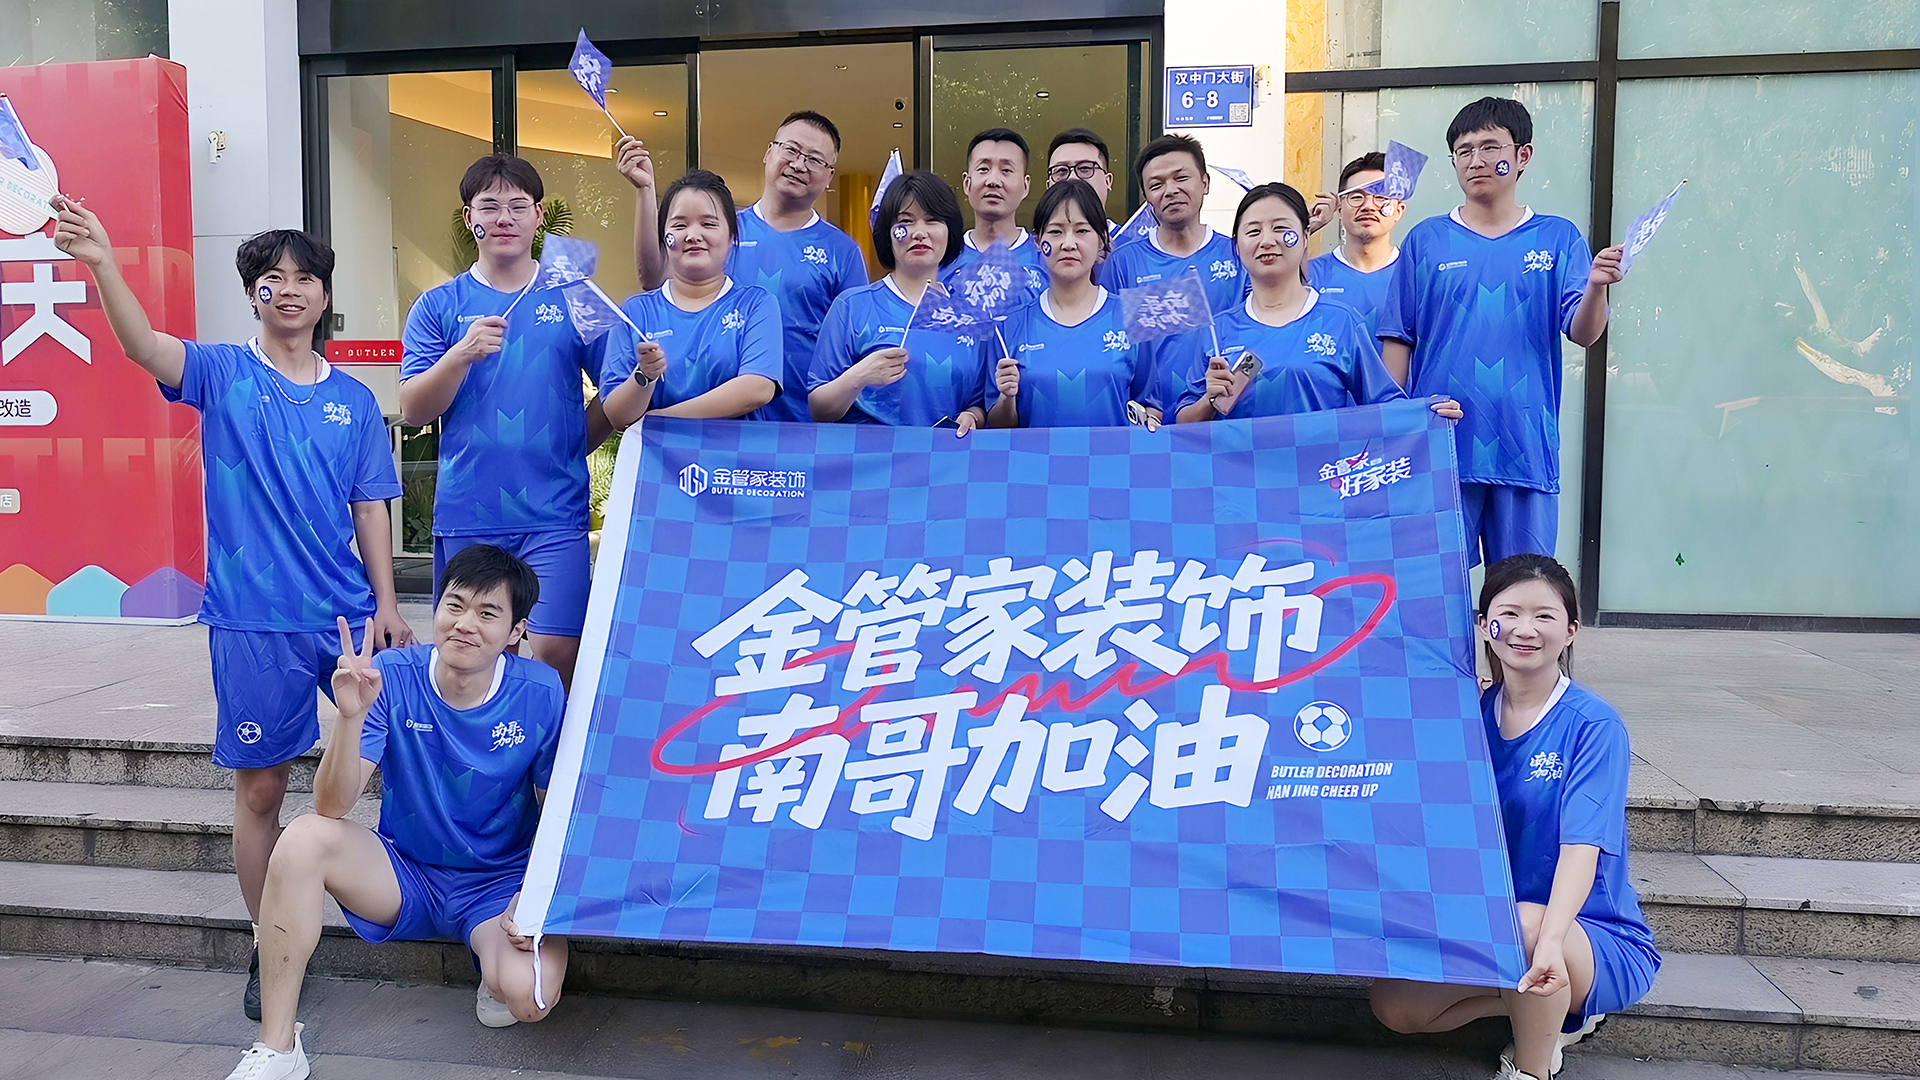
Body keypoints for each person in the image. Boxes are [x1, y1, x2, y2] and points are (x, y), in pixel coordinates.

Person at [52, 199, 409, 1023]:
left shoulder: (355, 402)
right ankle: (269, 939)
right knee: (258, 794)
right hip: (252, 619)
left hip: (346, 617)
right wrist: (102, 262)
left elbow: (370, 505)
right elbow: (143, 346)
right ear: (253, 294)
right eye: (273, 278)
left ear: (325, 295)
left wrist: (389, 602)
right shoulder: (220, 372)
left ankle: (420, 898)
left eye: (306, 278)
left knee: (392, 762)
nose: (291, 290)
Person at [216, 545, 569, 1080]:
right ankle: (278, 1047)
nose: (465, 624)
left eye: (487, 613)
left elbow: (557, 808)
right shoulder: (391, 674)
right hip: (405, 873)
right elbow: (331, 805)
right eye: (455, 605)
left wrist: (539, 893)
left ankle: (493, 969)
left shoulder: (538, 691)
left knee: (530, 997)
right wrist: (349, 718)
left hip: (497, 883)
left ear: (516, 631)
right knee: (304, 838)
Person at [1370, 554, 1660, 1080]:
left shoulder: (1593, 725)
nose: (1526, 629)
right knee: (1395, 1007)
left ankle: (1531, 1068)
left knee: (1525, 927)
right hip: (1491, 922)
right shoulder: (1471, 714)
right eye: (1510, 614)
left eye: (1545, 616)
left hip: (1589, 933)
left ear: (1570, 631)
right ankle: (1555, 1009)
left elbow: (1581, 850)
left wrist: (1550, 939)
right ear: (1486, 625)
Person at [399, 154, 620, 691]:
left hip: (554, 513)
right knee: (471, 659)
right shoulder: (438, 304)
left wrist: (575, 443)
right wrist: (460, 355)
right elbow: (414, 409)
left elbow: (617, 392)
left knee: (556, 658)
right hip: (469, 512)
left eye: (518, 206)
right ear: (469, 216)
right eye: (490, 206)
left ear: (539, 215)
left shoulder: (578, 296)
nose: (504, 218)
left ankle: (544, 752)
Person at [1378, 97, 1624, 567]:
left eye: (1490, 147)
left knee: (1522, 587)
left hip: (1523, 445)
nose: (1476, 160)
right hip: (1441, 444)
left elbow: (1584, 333)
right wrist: (1398, 425)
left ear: (1522, 155)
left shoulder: (1557, 237)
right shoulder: (1426, 240)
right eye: (1464, 151)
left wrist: (1596, 287)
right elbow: (1398, 338)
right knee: (1433, 583)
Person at [1168, 183, 1458, 424]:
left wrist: (1428, 414)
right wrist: (1209, 400)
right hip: (1239, 476)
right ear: (1237, 246)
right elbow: (1184, 422)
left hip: (1320, 476)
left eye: (1281, 228)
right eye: (1253, 232)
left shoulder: (1341, 322)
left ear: (1306, 236)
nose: (1267, 241)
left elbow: (1385, 403)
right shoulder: (1218, 330)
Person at [808, 169, 989, 432]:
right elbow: (818, 408)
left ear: (950, 230)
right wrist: (859, 376)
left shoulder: (971, 316)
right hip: (869, 456)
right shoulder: (852, 306)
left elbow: (979, 403)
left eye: (932, 220)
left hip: (945, 455)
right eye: (906, 221)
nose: (919, 232)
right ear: (887, 234)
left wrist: (972, 416)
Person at [599, 170, 781, 429]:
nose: (693, 235)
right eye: (679, 225)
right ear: (664, 238)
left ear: (732, 236)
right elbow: (617, 415)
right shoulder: (636, 312)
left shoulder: (756, 305)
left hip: (735, 455)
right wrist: (645, 376)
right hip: (658, 456)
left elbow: (758, 388)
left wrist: (661, 421)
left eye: (708, 224)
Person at [987, 179, 1165, 429]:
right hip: (1037, 456)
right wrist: (1007, 398)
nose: (1068, 243)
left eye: (1081, 231)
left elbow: (1149, 405)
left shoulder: (1133, 316)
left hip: (1112, 455)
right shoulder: (1010, 326)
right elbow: (997, 427)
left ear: (1102, 240)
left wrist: (1148, 422)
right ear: (1038, 243)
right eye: (1056, 232)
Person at [733, 111, 871, 421]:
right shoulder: (724, 233)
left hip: (806, 424)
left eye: (814, 159)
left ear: (829, 176)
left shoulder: (843, 252)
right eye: (791, 150)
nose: (799, 165)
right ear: (769, 153)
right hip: (723, 422)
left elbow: (857, 345)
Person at [1099, 134, 1248, 314]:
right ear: (1146, 197)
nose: (1170, 190)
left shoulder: (1239, 254)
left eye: (1181, 178)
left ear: (1205, 183)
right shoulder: (1123, 262)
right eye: (1156, 185)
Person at [1306, 151, 1406, 337]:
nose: (1368, 206)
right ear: (1339, 208)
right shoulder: (1309, 275)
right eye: (1357, 197)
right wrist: (1303, 229)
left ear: (1398, 211)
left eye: (1381, 197)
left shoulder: (1414, 276)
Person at [941, 127, 1047, 295]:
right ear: (967, 183)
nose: (993, 181)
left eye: (1006, 170)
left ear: (1025, 185)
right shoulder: (943, 257)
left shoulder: (1046, 257)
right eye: (983, 169)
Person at [1046, 127, 1121, 234]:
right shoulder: (1035, 244)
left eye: (1085, 168)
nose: (1073, 178)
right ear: (1048, 186)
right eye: (1061, 171)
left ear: (1108, 181)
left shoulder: (1133, 243)